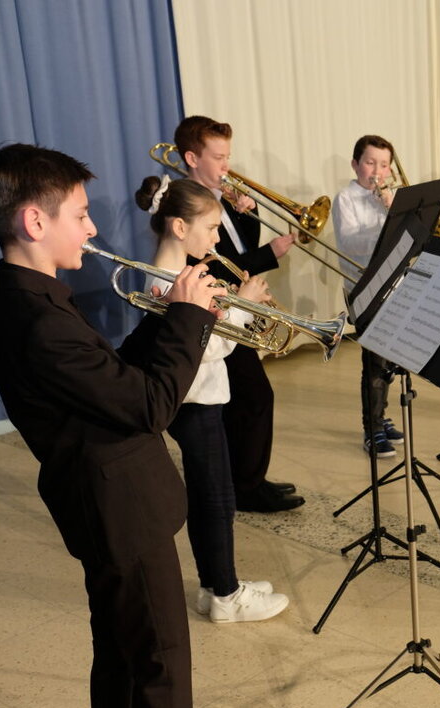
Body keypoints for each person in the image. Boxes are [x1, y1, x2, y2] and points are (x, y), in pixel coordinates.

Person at [0, 143, 221, 708]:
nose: (91, 229)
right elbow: (151, 405)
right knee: (160, 666)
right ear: (35, 222)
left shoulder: (32, 297)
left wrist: (164, 320)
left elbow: (109, 380)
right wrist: (190, 320)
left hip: (107, 503)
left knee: (123, 658)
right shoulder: (39, 320)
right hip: (120, 509)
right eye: (81, 215)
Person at [135, 175, 290, 624]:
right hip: (193, 401)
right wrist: (241, 304)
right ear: (180, 227)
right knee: (216, 498)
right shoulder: (166, 284)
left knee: (211, 495)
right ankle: (226, 595)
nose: (218, 238)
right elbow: (204, 347)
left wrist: (227, 304)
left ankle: (212, 585)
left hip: (202, 397)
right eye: (212, 227)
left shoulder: (183, 274)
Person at [174, 115, 304, 512]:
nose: (227, 166)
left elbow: (237, 248)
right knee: (254, 397)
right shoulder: (189, 204)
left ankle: (248, 480)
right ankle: (247, 486)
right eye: (218, 157)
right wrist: (271, 254)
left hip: (233, 309)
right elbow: (212, 264)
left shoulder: (219, 196)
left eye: (228, 156)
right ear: (192, 158)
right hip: (217, 315)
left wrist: (245, 212)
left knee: (246, 398)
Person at [330, 134, 406, 458]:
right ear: (355, 164)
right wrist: (388, 222)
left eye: (384, 164)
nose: (377, 171)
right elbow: (350, 244)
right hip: (362, 288)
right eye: (370, 162)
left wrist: (395, 210)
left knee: (388, 358)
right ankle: (371, 429)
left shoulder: (392, 198)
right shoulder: (345, 199)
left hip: (393, 284)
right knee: (374, 361)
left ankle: (381, 416)